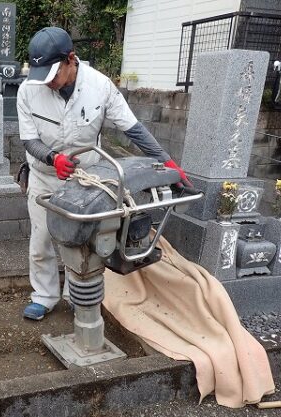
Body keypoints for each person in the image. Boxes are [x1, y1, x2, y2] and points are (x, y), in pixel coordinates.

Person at [17, 27, 192, 321]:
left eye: (53, 75)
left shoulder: (100, 86)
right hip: (45, 175)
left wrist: (166, 161)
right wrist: (52, 157)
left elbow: (132, 129)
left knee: (82, 241)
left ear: (71, 60)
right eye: (42, 76)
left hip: (85, 180)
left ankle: (75, 294)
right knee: (42, 240)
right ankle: (44, 296)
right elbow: (28, 139)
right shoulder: (28, 89)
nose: (47, 83)